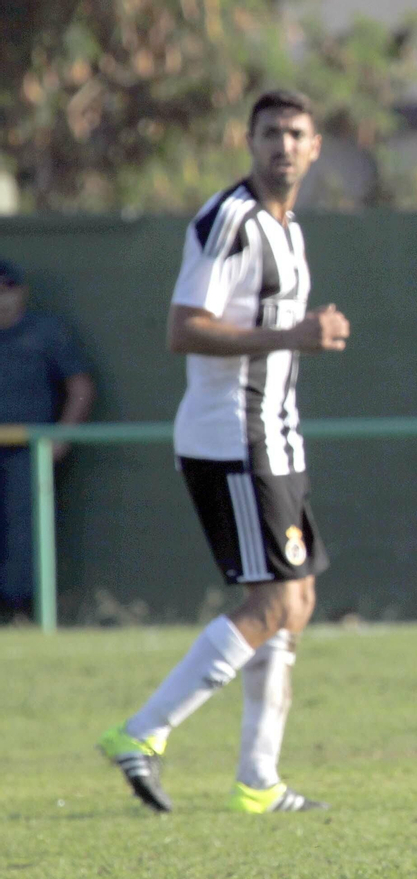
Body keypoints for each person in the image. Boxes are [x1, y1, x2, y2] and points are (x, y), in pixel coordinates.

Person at [97, 89, 350, 815]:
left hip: (275, 434)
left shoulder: (288, 228)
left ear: (315, 146)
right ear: (249, 140)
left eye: (296, 133)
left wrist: (303, 336)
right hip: (230, 437)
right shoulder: (228, 220)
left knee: (295, 599)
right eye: (270, 132)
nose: (283, 145)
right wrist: (293, 336)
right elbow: (184, 328)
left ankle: (257, 780)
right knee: (272, 600)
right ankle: (140, 733)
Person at [0, 261, 95, 621]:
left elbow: (81, 388)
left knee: (25, 539)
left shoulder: (46, 332)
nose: (1, 300)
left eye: (7, 289)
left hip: (29, 450)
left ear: (20, 291)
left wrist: (63, 437)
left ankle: (22, 614)